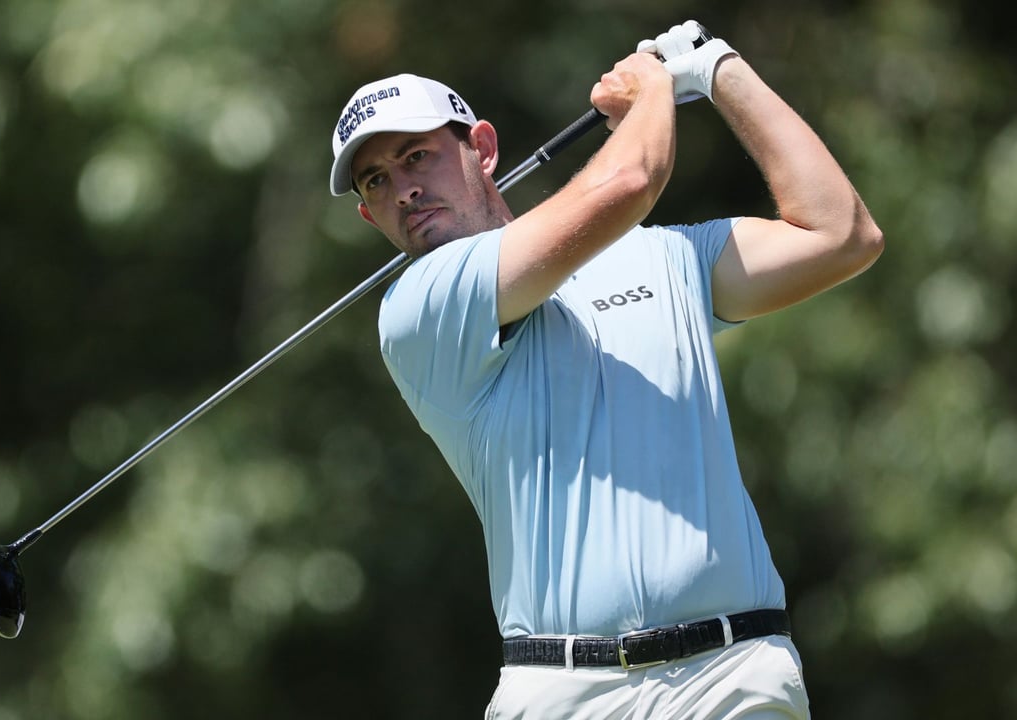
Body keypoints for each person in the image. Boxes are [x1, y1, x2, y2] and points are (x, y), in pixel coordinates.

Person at [328, 20, 882, 720]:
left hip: (733, 676)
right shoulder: (419, 310)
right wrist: (653, 89)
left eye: (417, 157)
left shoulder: (664, 258)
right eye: (378, 180)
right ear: (368, 215)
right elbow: (629, 180)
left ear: (484, 149)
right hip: (566, 693)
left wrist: (719, 70)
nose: (403, 188)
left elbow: (841, 236)